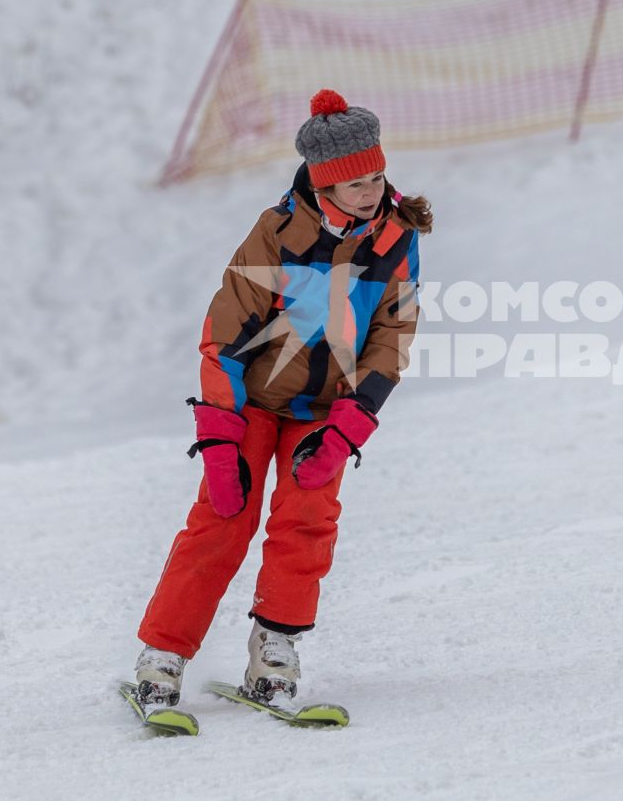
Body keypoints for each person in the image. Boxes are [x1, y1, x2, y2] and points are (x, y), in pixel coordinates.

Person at [130, 89, 430, 713]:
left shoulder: (395, 238)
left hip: (325, 410)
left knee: (307, 522)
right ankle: (161, 657)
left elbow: (392, 333)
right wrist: (218, 432)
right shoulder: (276, 233)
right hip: (252, 404)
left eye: (377, 176)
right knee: (224, 516)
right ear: (324, 186)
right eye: (354, 183)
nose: (371, 190)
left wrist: (354, 421)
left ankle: (273, 654)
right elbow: (224, 333)